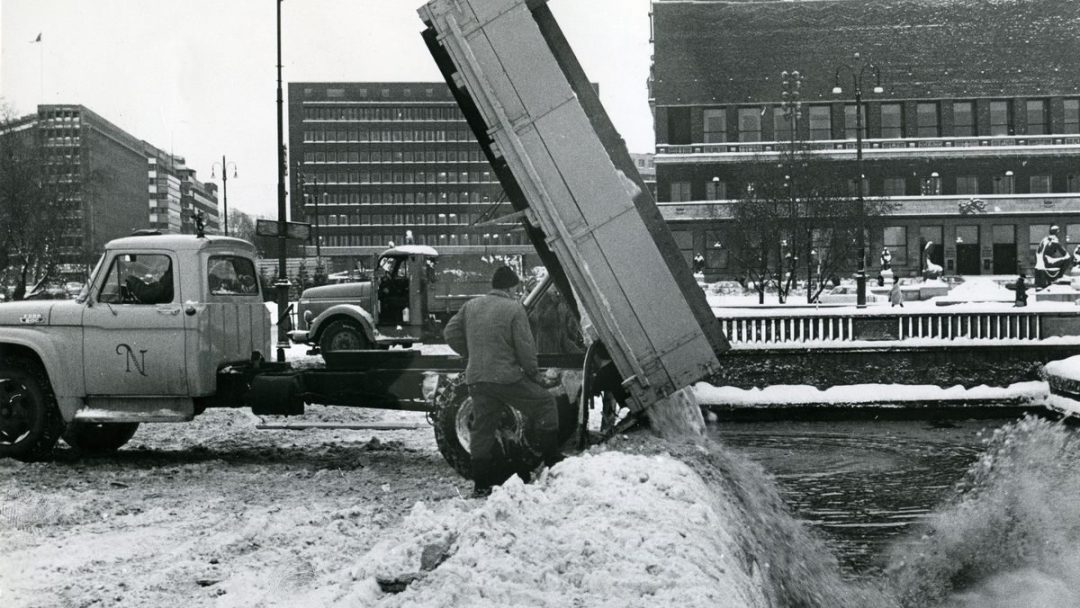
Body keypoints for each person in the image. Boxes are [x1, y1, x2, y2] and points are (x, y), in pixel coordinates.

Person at [444, 266, 563, 498]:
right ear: (510, 287)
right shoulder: (514, 309)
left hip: (478, 379)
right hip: (506, 378)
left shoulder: (471, 305)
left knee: (482, 429)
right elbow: (526, 350)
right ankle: (552, 460)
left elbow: (450, 333)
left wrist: (471, 353)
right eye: (516, 289)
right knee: (545, 403)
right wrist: (535, 376)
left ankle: (481, 485)